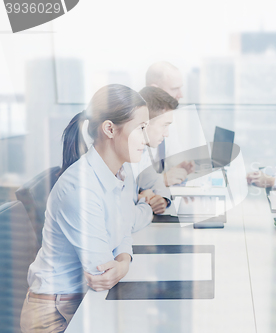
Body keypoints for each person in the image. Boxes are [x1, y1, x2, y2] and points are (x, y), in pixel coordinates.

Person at [20, 84, 149, 333]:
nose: (145, 139)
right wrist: (121, 264)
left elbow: (123, 231)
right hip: (54, 316)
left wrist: (123, 261)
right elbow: (101, 274)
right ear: (110, 129)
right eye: (140, 129)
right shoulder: (80, 187)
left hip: (80, 302)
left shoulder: (117, 174)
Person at [129, 86, 180, 232]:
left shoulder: (142, 151)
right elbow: (127, 219)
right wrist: (145, 200)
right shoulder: (124, 156)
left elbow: (155, 180)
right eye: (164, 126)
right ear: (145, 123)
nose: (166, 134)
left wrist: (161, 199)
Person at [145, 61, 196, 186]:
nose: (181, 95)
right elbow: (132, 181)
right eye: (175, 89)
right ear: (154, 89)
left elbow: (174, 156)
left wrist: (181, 166)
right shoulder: (137, 125)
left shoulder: (167, 122)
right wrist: (162, 180)